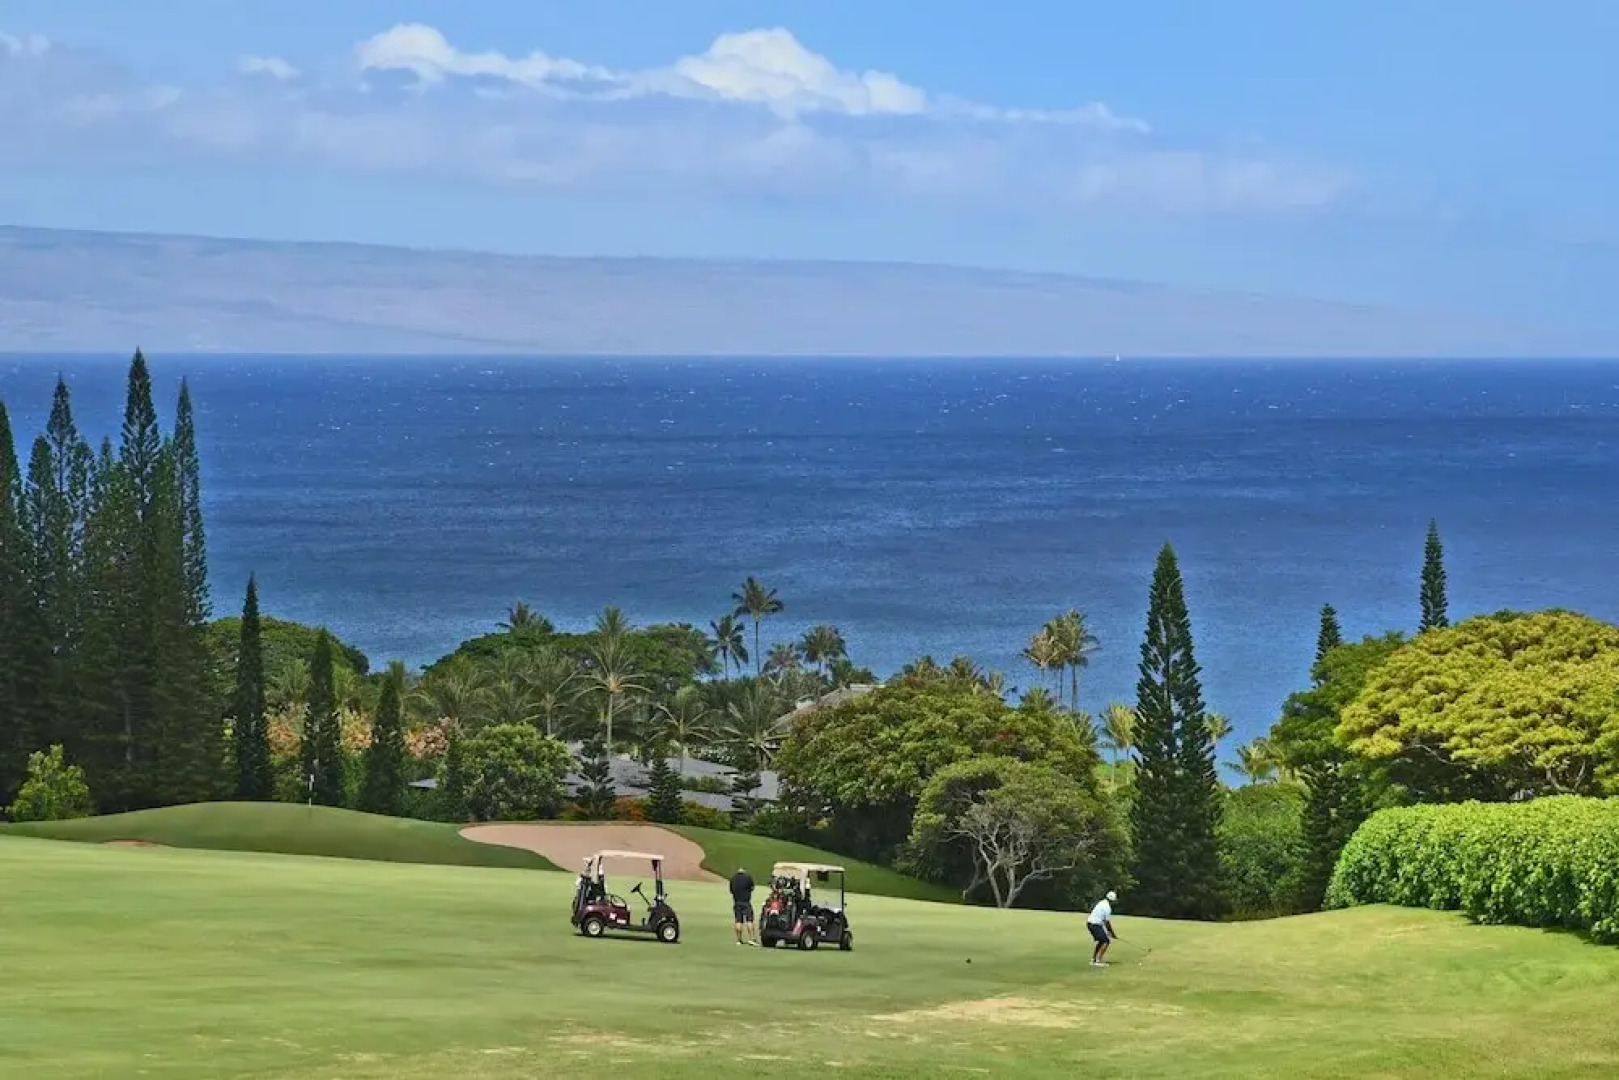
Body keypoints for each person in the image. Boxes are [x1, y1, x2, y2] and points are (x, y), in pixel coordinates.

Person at [1087, 890, 1118, 967]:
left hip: (1090, 923)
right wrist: (1112, 933)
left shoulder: (1101, 902)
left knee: (1102, 941)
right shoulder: (1107, 908)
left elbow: (1104, 921)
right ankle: (1098, 960)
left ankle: (1094, 959)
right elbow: (1107, 922)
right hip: (1095, 924)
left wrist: (1109, 932)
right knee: (1106, 941)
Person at [730, 866, 758, 946]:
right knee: (749, 920)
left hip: (737, 902)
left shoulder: (733, 879)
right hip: (746, 902)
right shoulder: (748, 877)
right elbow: (752, 887)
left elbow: (731, 890)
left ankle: (739, 940)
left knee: (738, 921)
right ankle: (752, 938)